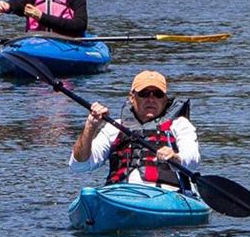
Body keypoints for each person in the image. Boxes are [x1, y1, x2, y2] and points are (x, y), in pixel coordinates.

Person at [70, 69, 201, 186]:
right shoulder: (115, 127)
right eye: (144, 93)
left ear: (165, 99)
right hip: (119, 194)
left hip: (167, 196)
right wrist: (90, 126)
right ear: (132, 98)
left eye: (158, 94)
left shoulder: (179, 124)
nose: (151, 99)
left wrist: (175, 158)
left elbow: (193, 159)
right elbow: (79, 165)